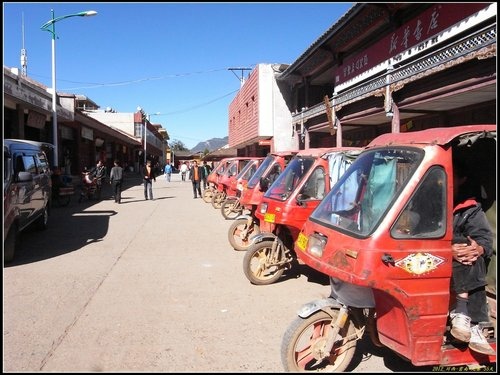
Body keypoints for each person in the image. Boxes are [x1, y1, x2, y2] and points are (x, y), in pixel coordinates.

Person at [449, 161, 494, 355]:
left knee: (471, 248)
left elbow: (485, 240)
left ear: (461, 180)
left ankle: (466, 318)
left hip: (464, 266)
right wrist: (447, 250)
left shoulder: (470, 208)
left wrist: (478, 249)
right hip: (432, 259)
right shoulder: (426, 202)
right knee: (461, 245)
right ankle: (464, 313)